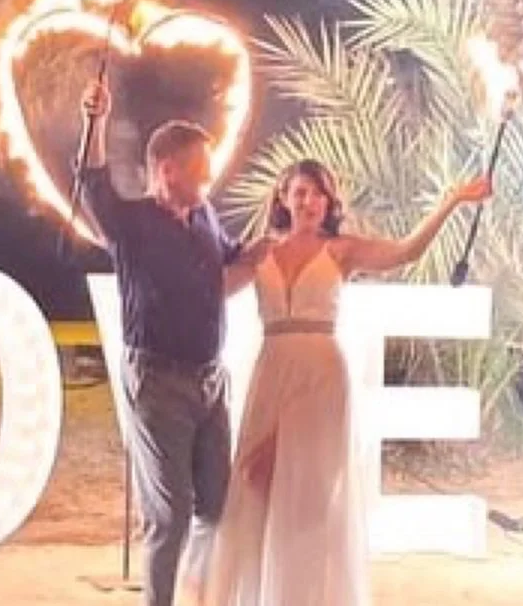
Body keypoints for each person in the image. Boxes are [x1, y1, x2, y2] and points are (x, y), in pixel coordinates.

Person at [200, 158, 492, 606]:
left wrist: (452, 200)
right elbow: (210, 291)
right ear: (283, 197)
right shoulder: (261, 250)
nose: (309, 201)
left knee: (311, 493)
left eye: (318, 193)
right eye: (300, 192)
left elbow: (406, 252)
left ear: (329, 201)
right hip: (272, 369)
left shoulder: (341, 250)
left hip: (322, 377)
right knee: (256, 483)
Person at [76, 78, 261, 606]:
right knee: (171, 514)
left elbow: (232, 263)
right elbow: (91, 181)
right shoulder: (131, 223)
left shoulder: (204, 216)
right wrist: (98, 118)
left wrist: (274, 249)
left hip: (210, 381)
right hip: (158, 381)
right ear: (167, 170)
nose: (209, 172)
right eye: (199, 164)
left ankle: (201, 596)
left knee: (216, 506)